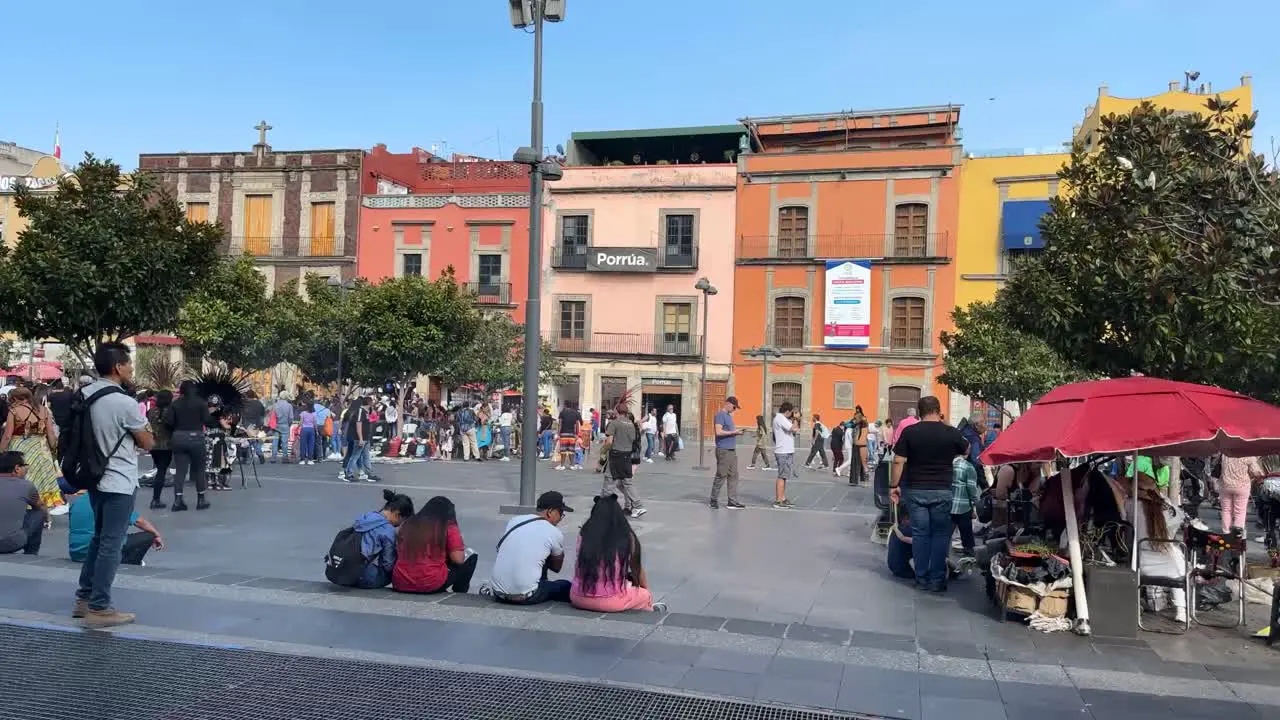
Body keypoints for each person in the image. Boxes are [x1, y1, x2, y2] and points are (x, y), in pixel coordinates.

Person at [75, 342, 155, 628]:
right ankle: (99, 607)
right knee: (112, 542)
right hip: (118, 479)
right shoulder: (124, 402)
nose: (131, 369)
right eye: (129, 364)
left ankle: (84, 597)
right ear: (118, 367)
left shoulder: (84, 393)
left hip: (92, 476)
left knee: (99, 538)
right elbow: (147, 441)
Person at [889, 396, 966, 593]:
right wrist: (946, 423)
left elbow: (898, 461)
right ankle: (937, 579)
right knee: (940, 535)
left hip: (916, 490)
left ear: (919, 411)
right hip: (942, 490)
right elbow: (967, 449)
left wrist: (893, 485)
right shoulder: (950, 432)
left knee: (920, 534)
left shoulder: (910, 432)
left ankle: (921, 578)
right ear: (939, 411)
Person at [570, 495, 666, 613]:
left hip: (577, 597)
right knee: (644, 595)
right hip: (609, 601)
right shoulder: (626, 537)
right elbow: (637, 569)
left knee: (626, 587)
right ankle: (650, 610)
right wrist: (644, 591)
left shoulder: (583, 534)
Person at [483, 491, 574, 605]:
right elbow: (556, 568)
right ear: (550, 512)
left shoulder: (515, 521)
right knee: (565, 586)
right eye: (561, 513)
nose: (561, 518)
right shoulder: (554, 532)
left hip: (498, 593)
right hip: (526, 596)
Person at [392, 496, 477, 594]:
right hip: (430, 583)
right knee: (471, 555)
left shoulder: (408, 524)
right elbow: (458, 559)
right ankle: (459, 593)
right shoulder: (448, 524)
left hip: (400, 582)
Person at [67, 481, 164, 566]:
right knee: (148, 536)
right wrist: (156, 534)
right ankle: (131, 561)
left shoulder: (77, 502)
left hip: (76, 553)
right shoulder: (109, 500)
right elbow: (139, 521)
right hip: (97, 553)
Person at [1, 387, 64, 516]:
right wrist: (53, 450)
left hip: (20, 447)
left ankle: (22, 510)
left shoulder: (14, 411)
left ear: (17, 399)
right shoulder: (44, 410)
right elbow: (51, 434)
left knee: (23, 479)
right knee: (42, 480)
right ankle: (44, 515)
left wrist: (1, 450)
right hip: (41, 449)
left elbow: (7, 435)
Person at [162, 380, 214, 511]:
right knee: (200, 469)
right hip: (196, 437)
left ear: (182, 391)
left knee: (180, 470)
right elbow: (208, 421)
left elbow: (169, 422)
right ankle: (201, 499)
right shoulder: (201, 403)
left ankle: (178, 500)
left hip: (179, 437)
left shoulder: (175, 404)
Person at [348, 489, 414, 589]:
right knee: (392, 573)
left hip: (342, 569)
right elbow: (388, 565)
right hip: (360, 576)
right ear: (397, 514)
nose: (400, 525)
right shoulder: (388, 530)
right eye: (402, 521)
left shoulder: (367, 516)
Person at [601, 409, 645, 517]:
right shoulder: (632, 426)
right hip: (628, 457)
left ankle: (606, 507)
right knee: (625, 483)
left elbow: (610, 441)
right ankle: (636, 506)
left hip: (618, 456)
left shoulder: (615, 424)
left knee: (610, 481)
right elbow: (635, 440)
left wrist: (603, 451)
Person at [0, 451, 46, 555]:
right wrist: (48, 518)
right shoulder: (27, 485)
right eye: (25, 466)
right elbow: (41, 507)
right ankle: (31, 553)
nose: (27, 469)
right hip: (10, 544)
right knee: (38, 513)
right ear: (17, 468)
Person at [709, 397, 746, 510]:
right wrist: (734, 432)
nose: (735, 409)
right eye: (734, 407)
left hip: (731, 450)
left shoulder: (729, 417)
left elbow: (728, 431)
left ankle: (732, 501)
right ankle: (713, 499)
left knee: (733, 475)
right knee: (721, 475)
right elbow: (718, 432)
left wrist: (737, 432)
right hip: (723, 450)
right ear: (728, 404)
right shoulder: (720, 415)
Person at [1219, 454, 1264, 534]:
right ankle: (1237, 534)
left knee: (1226, 509)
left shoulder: (1225, 453)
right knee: (1240, 511)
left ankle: (1226, 531)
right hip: (1242, 486)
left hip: (1225, 485)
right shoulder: (1247, 455)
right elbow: (1256, 471)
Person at [950, 441, 981, 556]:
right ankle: (969, 556)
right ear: (967, 451)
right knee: (966, 533)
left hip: (948, 504)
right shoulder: (968, 467)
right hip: (963, 506)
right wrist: (974, 504)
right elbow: (971, 489)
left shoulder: (949, 464)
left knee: (945, 534)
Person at [146, 391, 174, 510]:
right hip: (166, 445)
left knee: (159, 469)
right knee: (161, 471)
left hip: (153, 444)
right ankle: (155, 499)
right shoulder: (170, 412)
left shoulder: (151, 411)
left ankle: (156, 498)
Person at [772, 403, 798, 508]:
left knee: (784, 476)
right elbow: (794, 429)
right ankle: (778, 500)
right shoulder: (780, 418)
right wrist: (796, 419)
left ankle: (782, 498)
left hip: (786, 450)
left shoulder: (782, 419)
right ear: (787, 411)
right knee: (782, 476)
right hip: (783, 451)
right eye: (791, 412)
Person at [241, 390, 267, 463]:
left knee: (245, 441)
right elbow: (262, 414)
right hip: (256, 424)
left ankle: (245, 457)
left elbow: (241, 414)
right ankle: (260, 454)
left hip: (246, 424)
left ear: (247, 396)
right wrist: (261, 424)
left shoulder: (244, 404)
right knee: (254, 440)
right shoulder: (259, 403)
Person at [556, 402, 582, 471]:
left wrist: (558, 434)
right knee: (571, 450)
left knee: (563, 450)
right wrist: (576, 434)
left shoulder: (562, 412)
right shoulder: (575, 413)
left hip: (564, 433)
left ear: (565, 405)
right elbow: (576, 424)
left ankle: (562, 465)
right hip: (572, 434)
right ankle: (572, 465)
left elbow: (560, 423)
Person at [270, 392, 295, 463]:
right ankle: (284, 458)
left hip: (276, 425)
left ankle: (273, 457)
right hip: (285, 425)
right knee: (285, 442)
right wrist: (289, 424)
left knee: (275, 441)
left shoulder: (275, 405)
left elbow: (272, 416)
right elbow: (291, 417)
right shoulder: (289, 406)